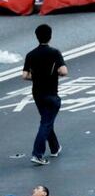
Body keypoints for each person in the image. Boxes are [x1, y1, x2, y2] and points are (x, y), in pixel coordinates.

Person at [23, 24, 67, 166]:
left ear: (36, 36)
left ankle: (54, 147)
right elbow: (64, 71)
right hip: (51, 93)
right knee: (46, 122)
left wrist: (36, 77)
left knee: (46, 120)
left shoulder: (30, 54)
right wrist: (55, 74)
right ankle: (37, 154)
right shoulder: (54, 52)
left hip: (37, 93)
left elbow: (25, 75)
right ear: (50, 36)